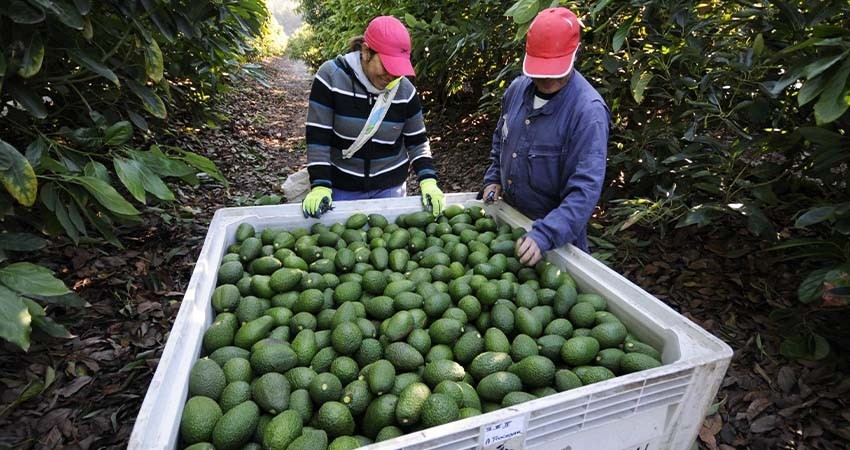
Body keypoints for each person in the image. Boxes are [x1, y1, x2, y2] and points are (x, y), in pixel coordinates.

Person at [481, 7, 609, 266]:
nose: (547, 79)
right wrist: (494, 178)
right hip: (511, 224)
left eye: (555, 69)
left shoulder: (587, 112)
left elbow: (585, 190)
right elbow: (501, 140)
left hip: (557, 240)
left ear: (575, 54)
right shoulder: (517, 91)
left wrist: (545, 234)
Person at [301, 15, 445, 218]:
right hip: (342, 187)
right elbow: (318, 137)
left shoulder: (404, 91)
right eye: (387, 67)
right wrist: (320, 184)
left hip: (390, 188)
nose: (392, 76)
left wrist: (428, 180)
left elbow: (417, 141)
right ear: (366, 52)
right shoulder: (331, 77)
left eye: (398, 70)